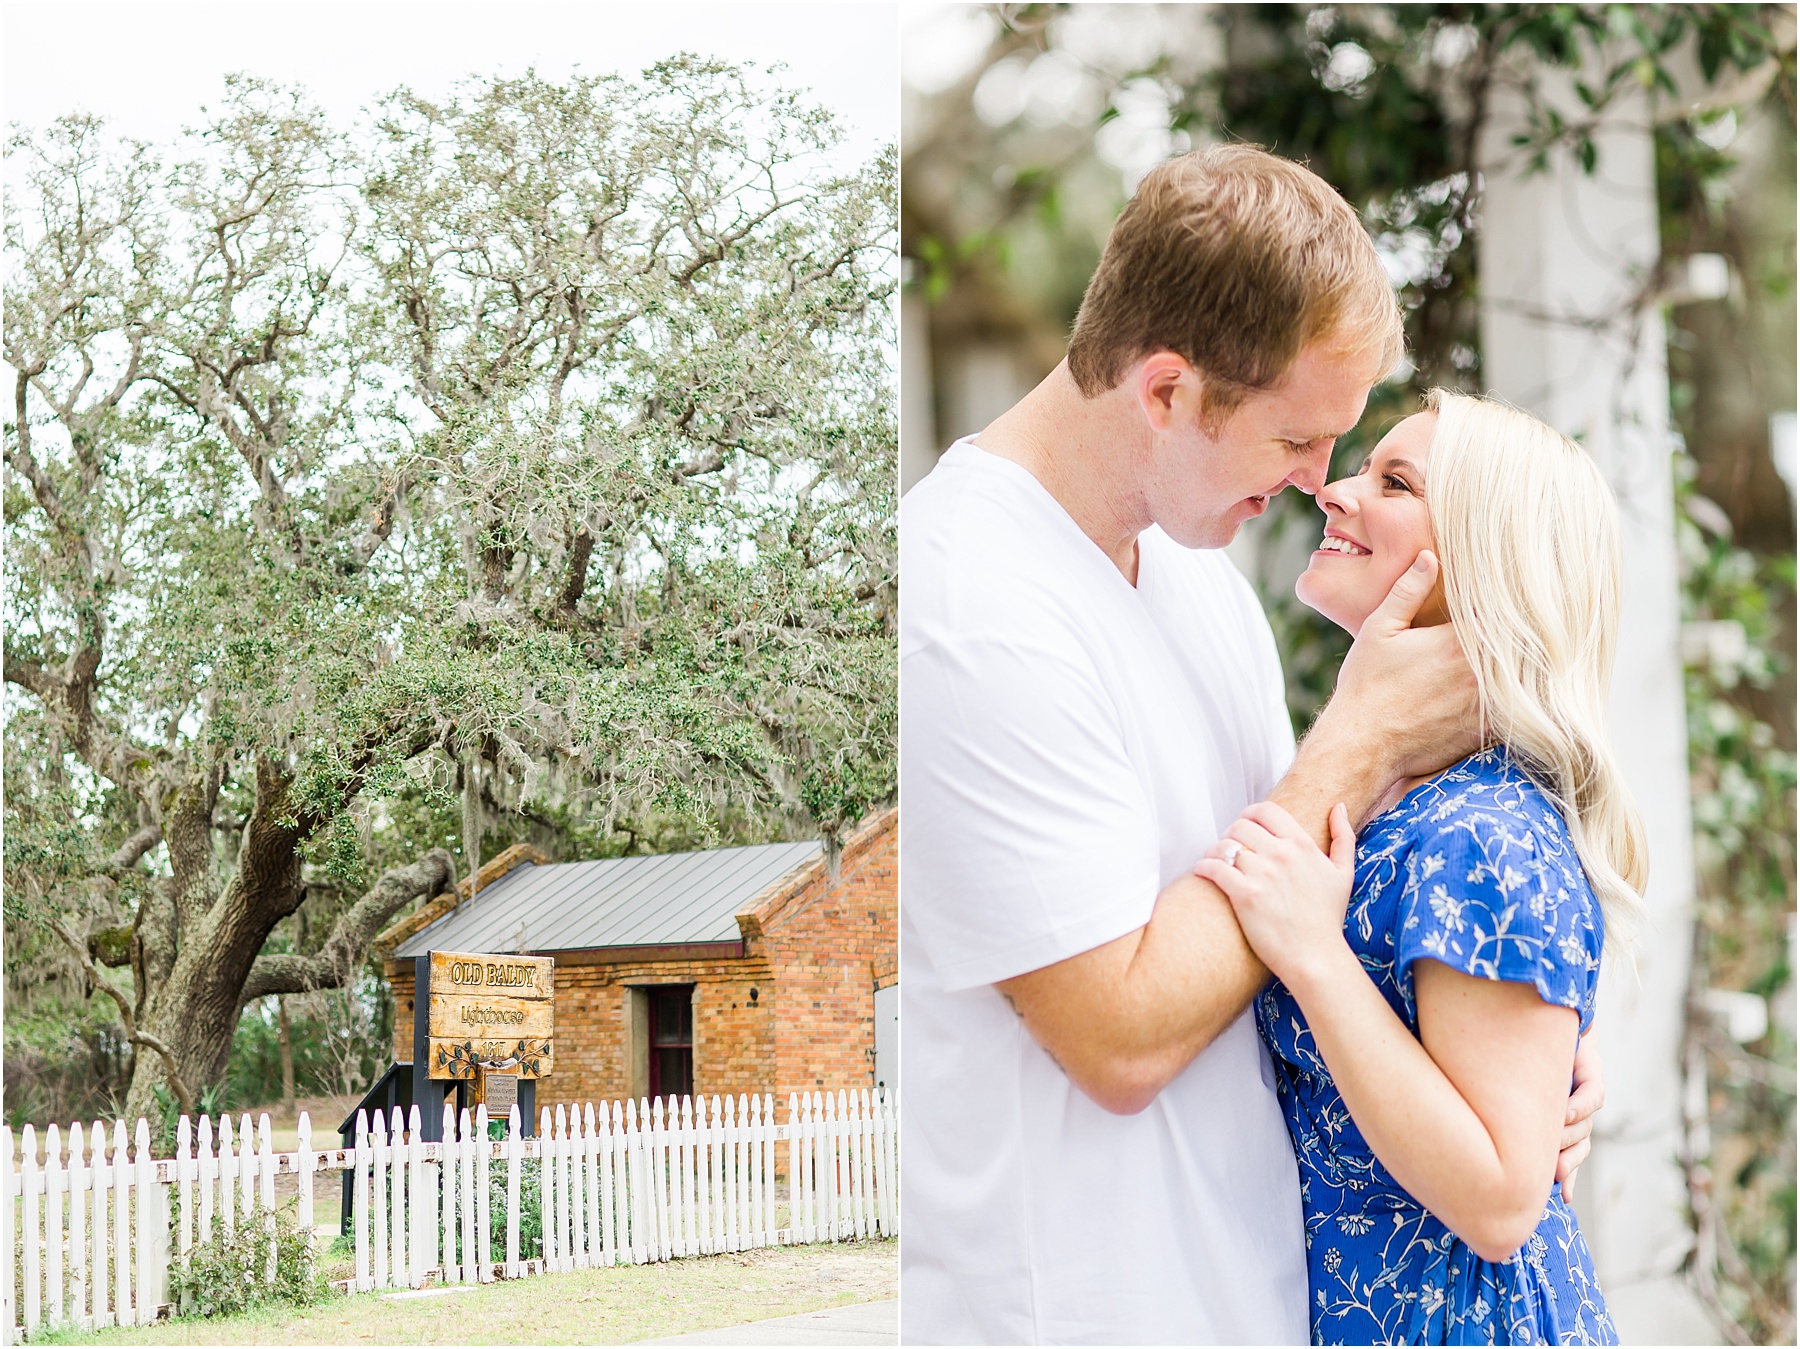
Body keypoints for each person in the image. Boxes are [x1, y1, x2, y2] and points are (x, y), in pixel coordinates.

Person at [901, 145, 1602, 1345]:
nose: (1314, 483)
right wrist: (1362, 733)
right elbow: (1120, 1036)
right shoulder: (964, 601)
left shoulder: (1199, 577)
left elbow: (1289, 912)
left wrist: (1513, 1080)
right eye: (1295, 443)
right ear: (1166, 391)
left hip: (1275, 1299)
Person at [1195, 392, 1635, 1344]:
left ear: (1484, 562)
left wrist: (1315, 957)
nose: (1335, 493)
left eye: (1393, 483)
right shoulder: (1409, 799)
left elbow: (1502, 1198)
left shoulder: (1484, 828)